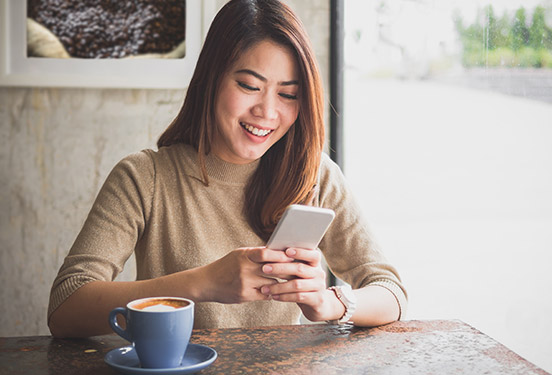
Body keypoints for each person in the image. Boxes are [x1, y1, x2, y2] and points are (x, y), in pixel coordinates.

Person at [48, 0, 407, 338]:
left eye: (288, 94)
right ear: (212, 78)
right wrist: (202, 283)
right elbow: (65, 307)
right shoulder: (145, 177)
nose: (267, 112)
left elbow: (391, 292)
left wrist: (330, 302)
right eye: (249, 86)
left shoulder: (313, 175)